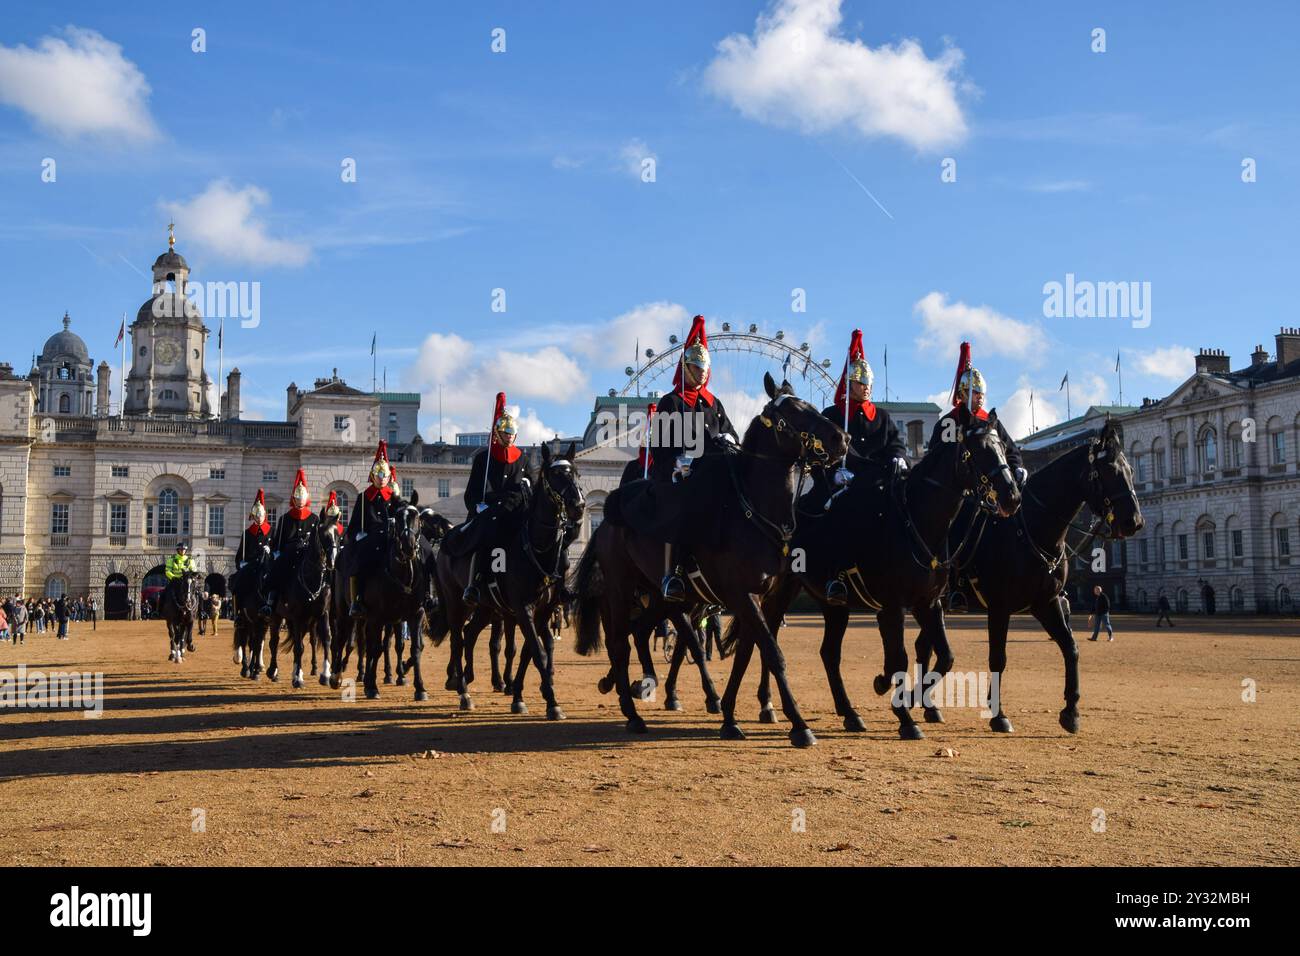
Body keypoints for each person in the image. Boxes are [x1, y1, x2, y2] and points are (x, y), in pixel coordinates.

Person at [649, 315, 739, 602]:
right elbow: (659, 450)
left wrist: (731, 441)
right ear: (685, 367)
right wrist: (678, 463)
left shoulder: (715, 404)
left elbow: (731, 435)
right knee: (682, 513)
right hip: (681, 478)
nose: (700, 372)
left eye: (704, 368)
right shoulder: (670, 403)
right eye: (695, 367)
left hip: (714, 477)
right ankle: (672, 574)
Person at [820, 329, 909, 605]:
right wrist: (833, 472)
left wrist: (898, 458)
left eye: (869, 381)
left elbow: (896, 444)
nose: (867, 386)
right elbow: (820, 451)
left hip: (879, 483)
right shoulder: (833, 416)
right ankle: (837, 577)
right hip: (843, 485)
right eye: (861, 382)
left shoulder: (881, 417)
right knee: (838, 516)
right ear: (850, 383)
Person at [461, 393, 532, 607]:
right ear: (497, 433)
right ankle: (474, 584)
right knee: (483, 541)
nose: (509, 435)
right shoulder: (484, 458)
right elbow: (471, 492)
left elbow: (531, 487)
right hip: (490, 512)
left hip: (516, 513)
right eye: (505, 432)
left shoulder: (523, 459)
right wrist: (478, 506)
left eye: (512, 432)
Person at [928, 341, 1025, 485]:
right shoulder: (948, 423)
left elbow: (1010, 450)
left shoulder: (990, 422)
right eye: (975, 392)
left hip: (989, 487)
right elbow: (934, 460)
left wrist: (1017, 467)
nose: (980, 397)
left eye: (982, 393)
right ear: (964, 393)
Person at [346, 440, 404, 617]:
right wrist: (358, 535)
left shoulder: (393, 498)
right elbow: (354, 525)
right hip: (370, 540)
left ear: (388, 477)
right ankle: (357, 600)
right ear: (372, 476)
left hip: (391, 539)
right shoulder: (364, 497)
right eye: (378, 474)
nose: (381, 478)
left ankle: (421, 596)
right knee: (359, 563)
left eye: (384, 475)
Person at [263, 469, 320, 616]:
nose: (300, 500)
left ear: (306, 499)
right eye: (297, 498)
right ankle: (270, 602)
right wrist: (276, 552)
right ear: (294, 499)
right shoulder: (285, 518)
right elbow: (278, 541)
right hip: (289, 553)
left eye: (302, 498)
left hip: (307, 554)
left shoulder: (314, 519)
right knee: (276, 571)